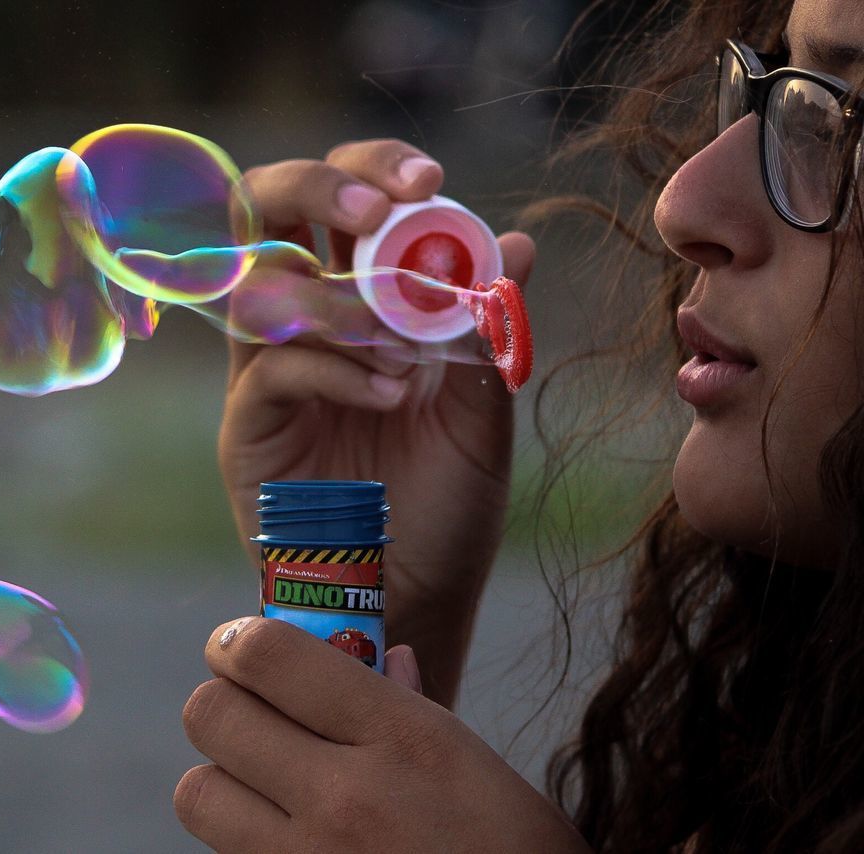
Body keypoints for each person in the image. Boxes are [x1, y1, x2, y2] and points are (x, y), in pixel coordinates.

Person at [174, 0, 864, 850]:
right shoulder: (802, 744)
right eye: (771, 92)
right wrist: (380, 617)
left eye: (836, 120)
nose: (681, 203)